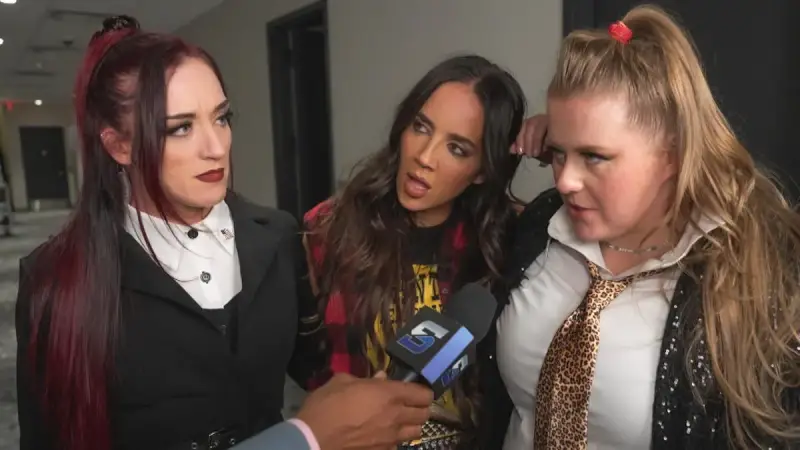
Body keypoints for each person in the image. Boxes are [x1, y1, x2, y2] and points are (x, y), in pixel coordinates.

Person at [15, 16, 432, 450]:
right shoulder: (55, 279)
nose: (216, 147)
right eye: (181, 128)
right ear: (120, 146)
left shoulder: (276, 236)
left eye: (221, 118)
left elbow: (318, 369)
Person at [476, 5, 800, 450]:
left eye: (595, 156)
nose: (565, 180)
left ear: (672, 154)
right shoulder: (538, 227)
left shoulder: (745, 274)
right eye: (559, 153)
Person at [302, 55, 526, 448]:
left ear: (482, 170)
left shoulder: (508, 241)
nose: (424, 156)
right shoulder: (330, 229)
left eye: (456, 148)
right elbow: (312, 365)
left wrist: (555, 138)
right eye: (420, 127)